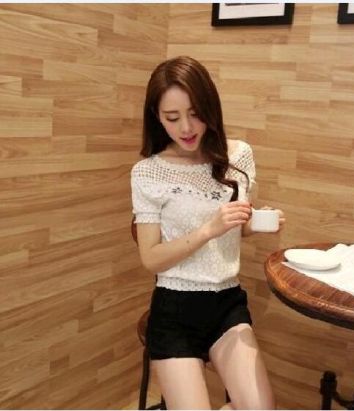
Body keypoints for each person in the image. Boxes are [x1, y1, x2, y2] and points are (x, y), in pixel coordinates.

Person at [130, 56, 285, 410]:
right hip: (174, 309)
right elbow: (150, 258)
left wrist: (258, 222)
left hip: (226, 303)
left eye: (196, 113)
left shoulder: (239, 155)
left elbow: (238, 228)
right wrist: (207, 230)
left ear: (211, 107)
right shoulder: (148, 173)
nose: (186, 127)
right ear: (157, 117)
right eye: (172, 118)